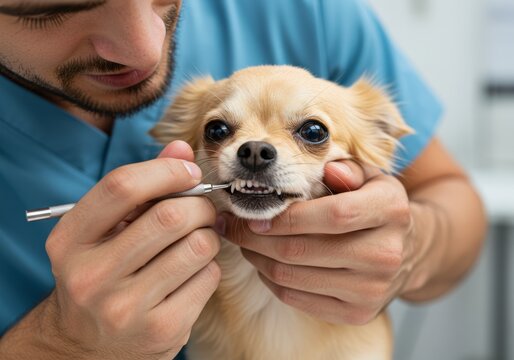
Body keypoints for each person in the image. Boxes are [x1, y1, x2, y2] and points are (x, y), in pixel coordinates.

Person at [0, 0, 486, 359]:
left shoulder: (304, 11)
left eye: (311, 133)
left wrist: (417, 246)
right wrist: (56, 346)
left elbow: (448, 193)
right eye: (50, 11)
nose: (144, 50)